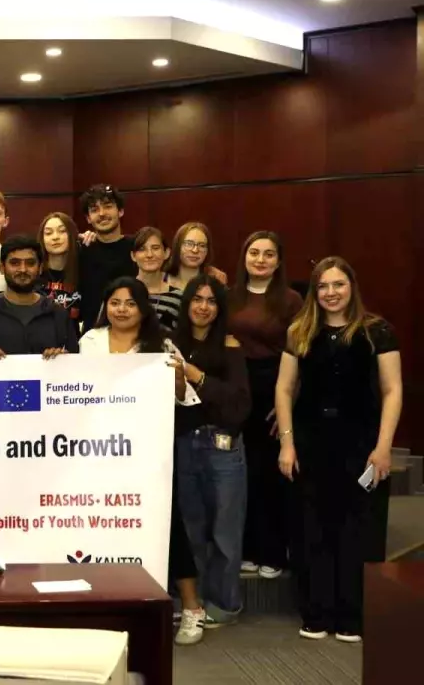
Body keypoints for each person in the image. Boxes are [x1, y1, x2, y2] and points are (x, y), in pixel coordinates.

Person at [275, 257, 401, 643]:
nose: (331, 293)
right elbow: (284, 389)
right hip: (311, 443)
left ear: (352, 287)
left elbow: (392, 390)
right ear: (315, 292)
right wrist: (287, 443)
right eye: (323, 286)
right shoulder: (299, 331)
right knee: (312, 528)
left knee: (358, 530)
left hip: (362, 445)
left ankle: (352, 616)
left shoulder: (376, 331)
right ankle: (316, 613)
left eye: (338, 285)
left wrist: (383, 447)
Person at [79, 277, 204, 645]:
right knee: (107, 523)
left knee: (167, 523)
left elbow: (182, 398)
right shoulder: (90, 341)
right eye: (115, 302)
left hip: (150, 450)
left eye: (130, 303)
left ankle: (192, 608)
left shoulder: (161, 345)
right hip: (100, 450)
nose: (122, 310)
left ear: (143, 309)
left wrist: (178, 378)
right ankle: (114, 606)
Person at [172, 275, 252, 630]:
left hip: (223, 446)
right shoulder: (170, 345)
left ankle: (224, 604)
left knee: (225, 532)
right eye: (197, 299)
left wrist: (196, 376)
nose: (203, 307)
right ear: (186, 303)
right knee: (191, 529)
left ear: (220, 308)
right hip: (183, 443)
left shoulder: (230, 345)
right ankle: (194, 602)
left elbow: (239, 404)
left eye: (211, 301)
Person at [228, 231, 303, 580]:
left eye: (268, 254)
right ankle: (247, 548)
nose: (260, 260)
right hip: (237, 389)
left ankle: (273, 551)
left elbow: (301, 353)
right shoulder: (230, 296)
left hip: (275, 390)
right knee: (242, 474)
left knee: (272, 475)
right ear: (244, 256)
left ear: (278, 261)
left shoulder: (291, 301)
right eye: (254, 252)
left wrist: (288, 400)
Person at [0, 235, 78, 358]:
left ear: (40, 268)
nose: (23, 269)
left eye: (30, 263)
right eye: (15, 263)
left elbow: (75, 362)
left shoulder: (58, 314)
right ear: (2, 267)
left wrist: (62, 358)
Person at [77, 185, 137, 329]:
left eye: (108, 206)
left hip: (133, 333)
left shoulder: (137, 248)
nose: (102, 213)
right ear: (88, 218)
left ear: (120, 211)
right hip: (92, 335)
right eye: (94, 210)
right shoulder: (81, 250)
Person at [133, 226, 183, 332]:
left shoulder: (178, 297)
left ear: (166, 253)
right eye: (142, 249)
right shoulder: (120, 292)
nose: (149, 255)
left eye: (155, 248)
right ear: (133, 256)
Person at [38, 211, 81, 327]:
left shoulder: (85, 269)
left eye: (62, 231)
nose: (55, 237)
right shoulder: (34, 273)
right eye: (48, 233)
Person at [167, 222, 228, 290]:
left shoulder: (216, 283)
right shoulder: (161, 278)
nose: (195, 250)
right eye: (189, 244)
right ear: (178, 246)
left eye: (202, 245)